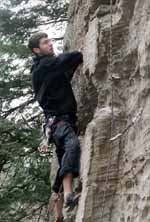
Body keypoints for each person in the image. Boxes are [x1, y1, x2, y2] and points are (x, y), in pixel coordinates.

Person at [28, 32, 83, 222]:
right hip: (59, 121)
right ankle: (68, 194)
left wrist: (75, 62)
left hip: (58, 122)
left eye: (50, 41)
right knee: (72, 145)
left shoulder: (45, 70)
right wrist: (79, 55)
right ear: (37, 50)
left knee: (63, 160)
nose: (50, 44)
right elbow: (67, 60)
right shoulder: (44, 64)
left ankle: (58, 213)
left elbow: (64, 73)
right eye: (45, 43)